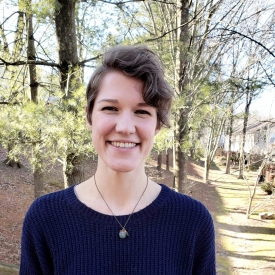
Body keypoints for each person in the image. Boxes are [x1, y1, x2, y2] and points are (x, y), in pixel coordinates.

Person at [20, 45, 216, 274]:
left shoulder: (192, 221)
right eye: (110, 108)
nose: (124, 128)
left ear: (158, 125)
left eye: (142, 112)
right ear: (89, 116)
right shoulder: (45, 218)